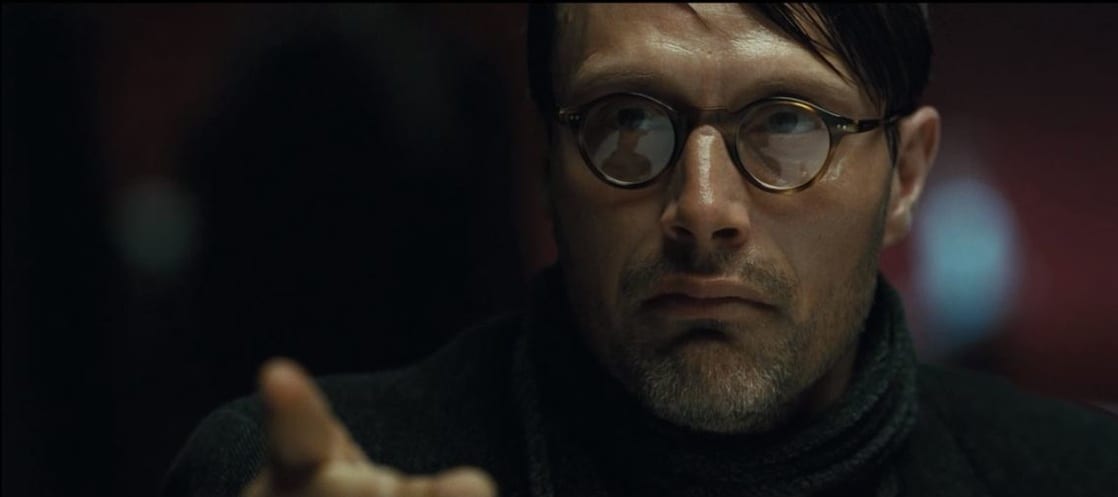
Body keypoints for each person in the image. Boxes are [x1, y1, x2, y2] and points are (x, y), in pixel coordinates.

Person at [162, 4, 1118, 497]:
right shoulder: (297, 473)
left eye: (788, 124)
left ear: (905, 177)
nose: (702, 208)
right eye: (626, 123)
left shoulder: (1078, 479)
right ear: (548, 169)